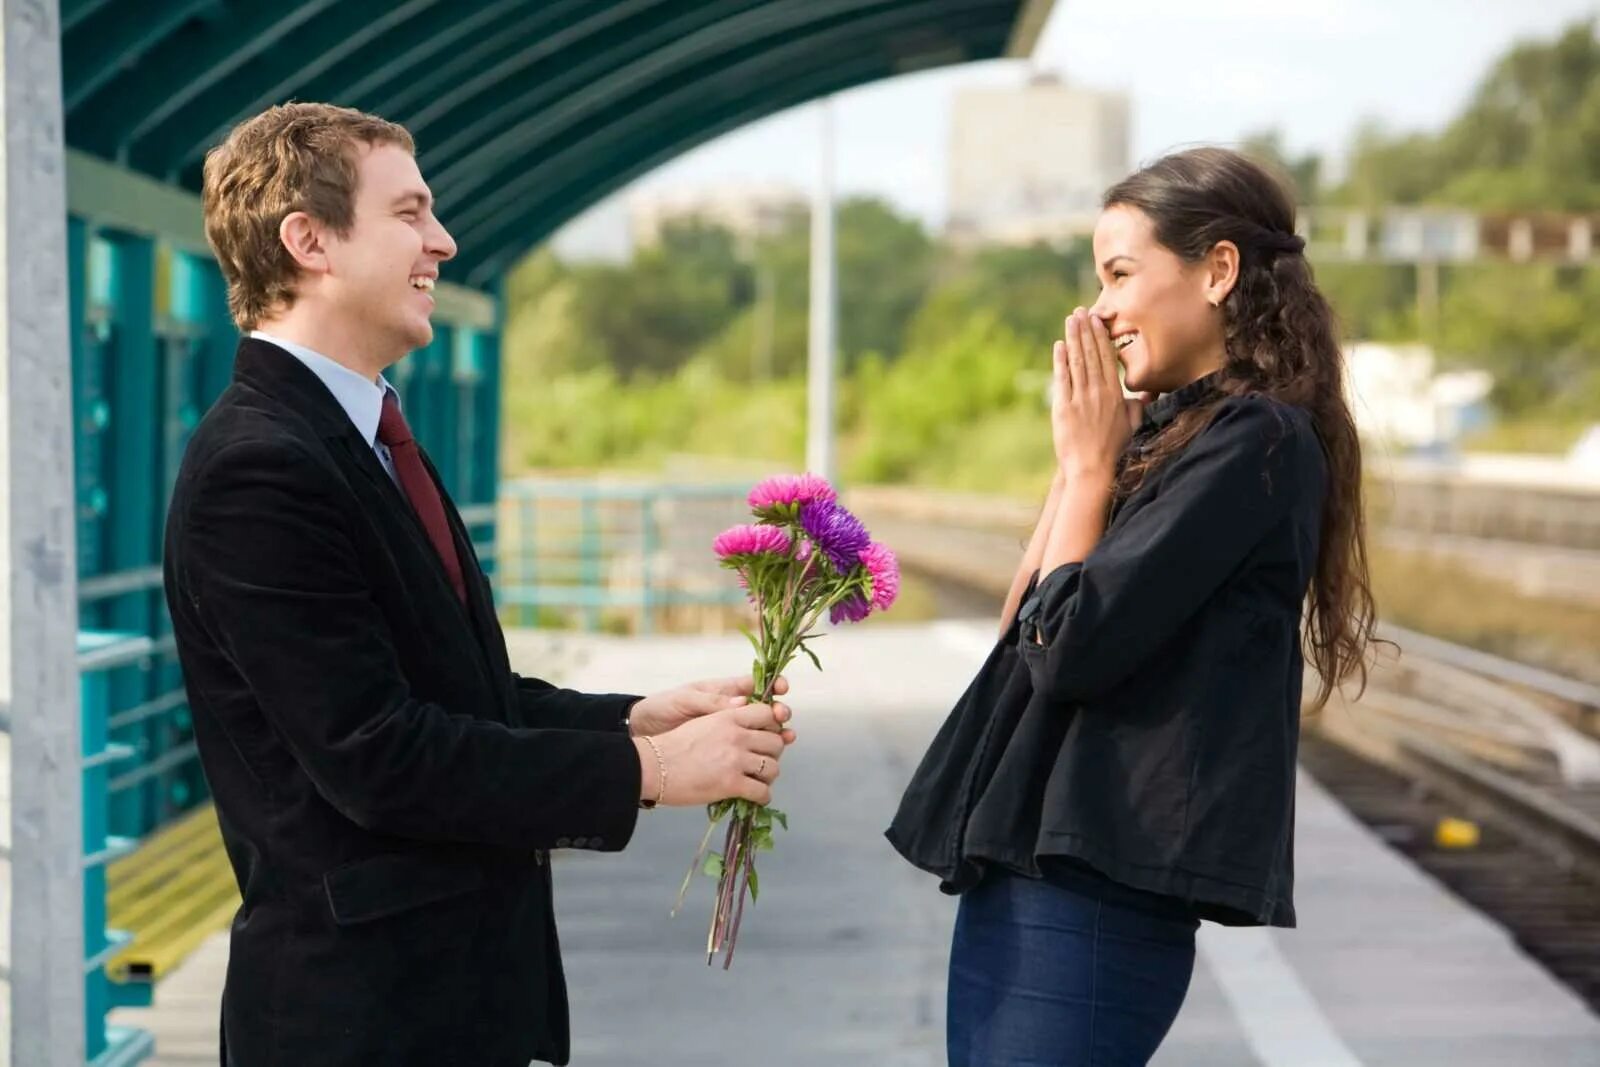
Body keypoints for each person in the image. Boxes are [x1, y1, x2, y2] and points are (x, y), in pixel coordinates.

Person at [163, 102, 794, 1067]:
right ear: (309, 241)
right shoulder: (261, 469)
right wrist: (657, 776)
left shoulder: (358, 437)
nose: (444, 242)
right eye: (410, 214)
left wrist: (634, 720)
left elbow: (448, 697)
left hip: (438, 1007)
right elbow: (378, 754)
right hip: (362, 1022)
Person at [886, 146, 1378, 1066]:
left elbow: (1070, 648)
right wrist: (1084, 462)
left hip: (1097, 891)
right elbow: (1019, 643)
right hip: (1040, 876)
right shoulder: (1169, 436)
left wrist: (1086, 471)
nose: (1101, 307)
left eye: (1121, 274)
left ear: (1218, 270)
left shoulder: (1256, 444)